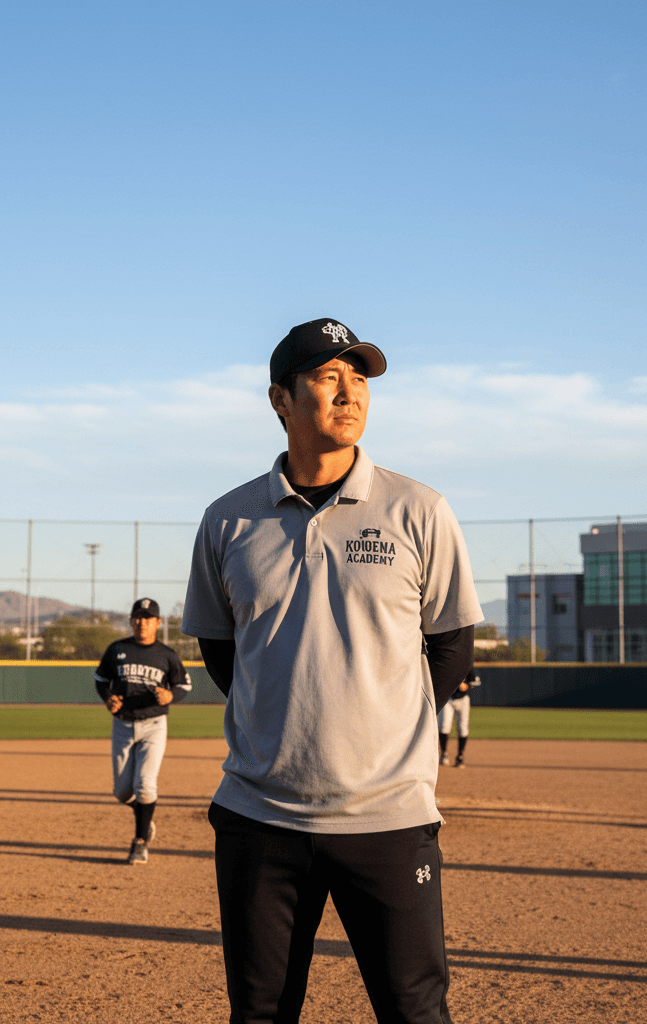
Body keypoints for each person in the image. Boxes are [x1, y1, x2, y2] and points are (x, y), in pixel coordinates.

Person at [182, 318, 483, 1024]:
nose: (349, 394)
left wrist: (384, 728)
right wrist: (287, 719)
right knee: (259, 1013)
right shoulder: (227, 521)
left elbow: (451, 644)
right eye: (326, 377)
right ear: (280, 400)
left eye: (360, 379)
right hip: (260, 816)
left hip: (389, 816)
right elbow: (222, 652)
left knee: (415, 1012)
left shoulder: (419, 510)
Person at [94, 598, 192, 864]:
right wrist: (107, 697)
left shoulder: (167, 655)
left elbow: (184, 685)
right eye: (137, 617)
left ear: (158, 623)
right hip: (123, 724)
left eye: (148, 618)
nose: (142, 622)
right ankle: (145, 817)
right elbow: (101, 679)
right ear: (131, 621)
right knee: (123, 792)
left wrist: (170, 695)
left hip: (154, 725)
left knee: (146, 785)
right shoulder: (117, 649)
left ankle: (139, 843)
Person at [438, 668, 480, 767]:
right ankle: (444, 754)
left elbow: (471, 682)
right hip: (448, 698)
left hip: (463, 699)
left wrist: (466, 686)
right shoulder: (448, 664)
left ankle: (460, 756)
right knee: (444, 726)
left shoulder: (467, 666)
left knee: (463, 728)